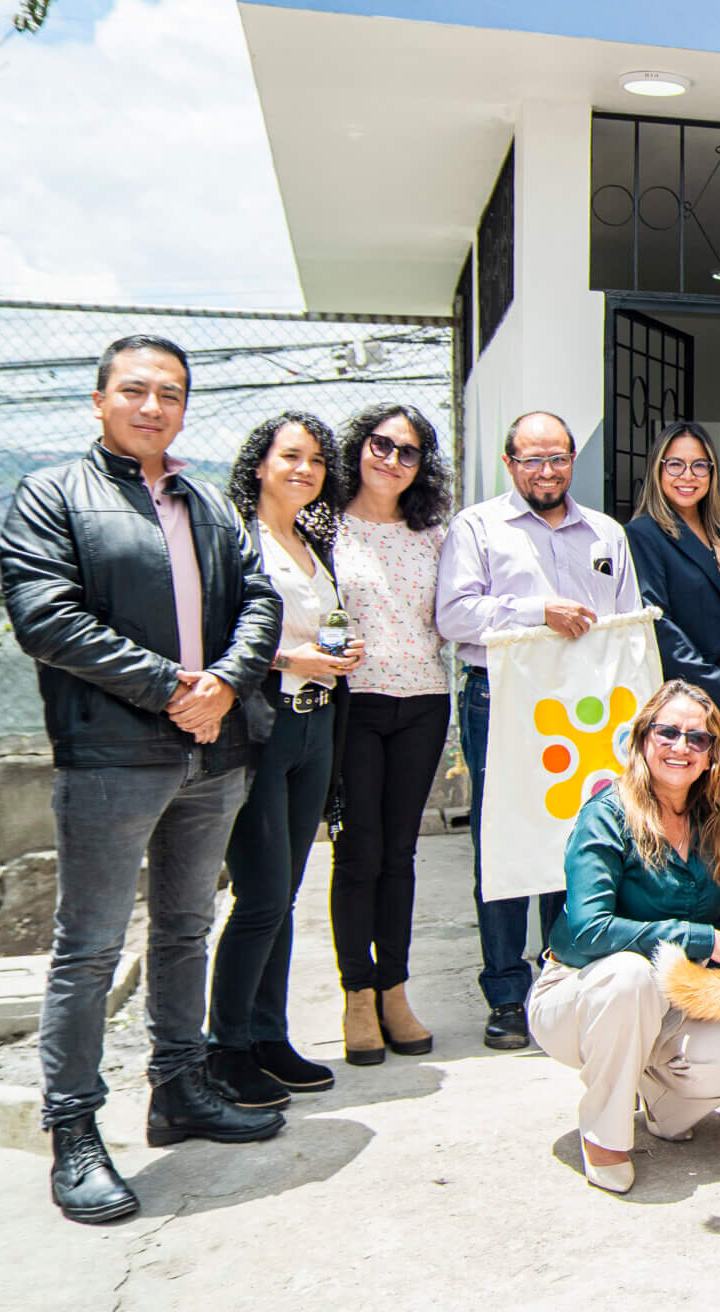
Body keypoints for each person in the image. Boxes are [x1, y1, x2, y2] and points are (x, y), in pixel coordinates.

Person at [1, 334, 285, 1223]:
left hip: (214, 753)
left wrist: (225, 685)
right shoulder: (54, 494)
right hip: (111, 757)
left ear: (185, 407)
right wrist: (172, 689)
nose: (152, 406)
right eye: (134, 390)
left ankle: (180, 1088)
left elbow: (260, 598)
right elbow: (47, 617)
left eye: (170, 393)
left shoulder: (207, 501)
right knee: (87, 950)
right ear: (99, 400)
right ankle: (74, 1130)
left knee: (187, 928)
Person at [436, 410, 643, 1052]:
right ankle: (505, 992)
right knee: (504, 839)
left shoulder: (605, 532)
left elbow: (628, 620)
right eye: (532, 460)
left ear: (572, 461)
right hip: (501, 701)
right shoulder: (478, 527)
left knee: (581, 835)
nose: (546, 471)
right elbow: (454, 615)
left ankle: (563, 976)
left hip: (589, 709)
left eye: (557, 458)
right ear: (509, 463)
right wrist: (537, 611)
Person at [528, 681, 720, 1195]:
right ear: (642, 739)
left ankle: (659, 1100)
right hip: (581, 995)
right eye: (668, 733)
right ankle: (605, 1135)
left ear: (712, 753)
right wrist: (696, 939)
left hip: (670, 999)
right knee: (630, 974)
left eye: (697, 738)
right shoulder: (606, 813)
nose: (682, 747)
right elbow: (589, 929)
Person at [205, 413, 357, 1111]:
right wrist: (288, 658)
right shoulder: (235, 538)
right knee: (260, 894)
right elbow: (216, 633)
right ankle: (225, 1049)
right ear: (259, 464)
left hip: (315, 724)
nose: (306, 469)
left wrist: (336, 656)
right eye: (291, 456)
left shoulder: (308, 540)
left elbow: (313, 627)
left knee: (284, 894)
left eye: (317, 460)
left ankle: (268, 1036)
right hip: (259, 727)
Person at [328, 403, 453, 1068]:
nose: (393, 460)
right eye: (382, 444)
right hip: (354, 702)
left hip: (425, 701)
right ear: (358, 446)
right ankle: (357, 993)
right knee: (359, 852)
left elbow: (455, 611)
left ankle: (395, 990)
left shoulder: (433, 533)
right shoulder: (326, 526)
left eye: (408, 452)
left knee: (400, 854)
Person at [625, 420, 720, 782]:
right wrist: (718, 688)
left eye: (699, 465)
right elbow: (657, 623)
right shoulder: (643, 534)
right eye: (675, 465)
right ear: (657, 470)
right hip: (684, 704)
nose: (688, 475)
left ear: (712, 473)